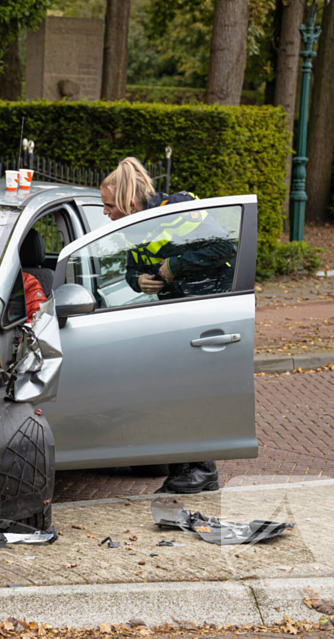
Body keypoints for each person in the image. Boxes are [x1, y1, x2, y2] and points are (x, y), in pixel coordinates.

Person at [100, 157, 235, 495]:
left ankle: (201, 470)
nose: (105, 213)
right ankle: (188, 471)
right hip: (176, 314)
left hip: (205, 311)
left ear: (129, 203)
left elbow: (224, 247)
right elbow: (134, 266)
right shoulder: (133, 226)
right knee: (176, 389)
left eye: (107, 206)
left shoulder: (179, 208)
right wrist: (138, 281)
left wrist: (175, 264)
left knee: (191, 390)